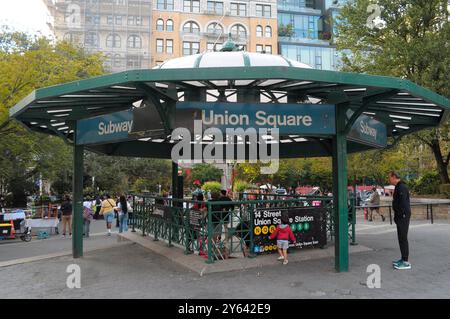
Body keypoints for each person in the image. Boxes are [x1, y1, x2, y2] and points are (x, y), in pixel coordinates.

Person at [389, 171, 412, 270]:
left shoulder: (401, 187)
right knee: (401, 238)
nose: (389, 179)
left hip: (403, 216)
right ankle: (403, 259)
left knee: (403, 238)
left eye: (389, 177)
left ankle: (406, 262)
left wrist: (400, 215)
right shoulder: (398, 186)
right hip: (400, 217)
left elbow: (403, 203)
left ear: (394, 177)